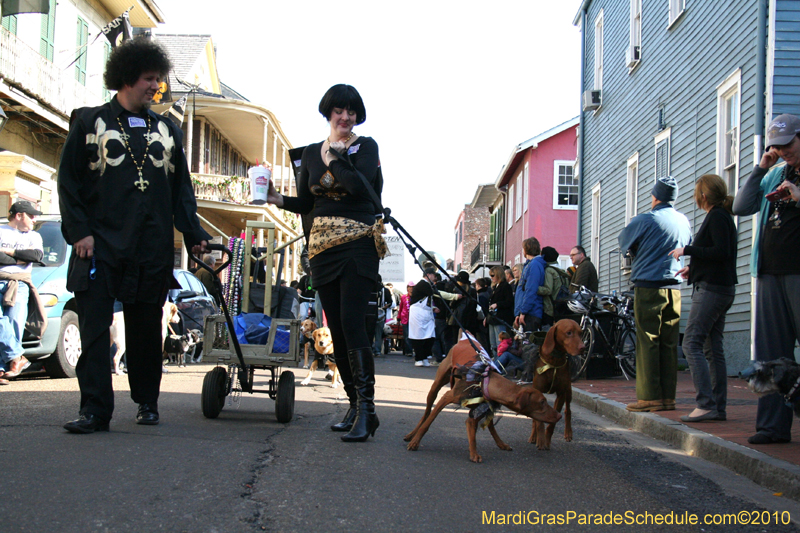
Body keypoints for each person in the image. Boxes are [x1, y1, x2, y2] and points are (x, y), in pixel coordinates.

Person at [58, 38, 210, 433]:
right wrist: (80, 232)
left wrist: (194, 235)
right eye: (149, 79)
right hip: (99, 246)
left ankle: (147, 401)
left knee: (145, 330)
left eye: (159, 80)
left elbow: (182, 191)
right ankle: (94, 410)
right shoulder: (89, 122)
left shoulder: (168, 130)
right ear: (126, 77)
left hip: (151, 246)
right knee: (94, 329)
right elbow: (68, 184)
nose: (155, 87)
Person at [266, 84, 387, 442]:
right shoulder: (308, 155)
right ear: (328, 112)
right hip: (323, 249)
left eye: (352, 111)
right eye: (339, 110)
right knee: (335, 329)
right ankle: (354, 405)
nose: (346, 117)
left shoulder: (366, 147)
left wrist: (335, 157)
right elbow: (307, 202)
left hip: (358, 244)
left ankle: (368, 409)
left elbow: (362, 189)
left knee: (352, 324)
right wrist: (277, 198)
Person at [732, 114, 800, 444]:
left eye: (789, 144)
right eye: (778, 146)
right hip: (770, 274)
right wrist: (761, 167)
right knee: (772, 357)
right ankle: (772, 427)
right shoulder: (775, 173)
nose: (784, 151)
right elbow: (742, 206)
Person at [618, 175, 692, 412]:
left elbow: (625, 243)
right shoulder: (683, 220)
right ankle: (668, 397)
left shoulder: (646, 219)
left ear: (655, 195)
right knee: (669, 343)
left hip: (649, 286)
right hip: (674, 286)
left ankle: (649, 397)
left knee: (648, 340)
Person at [668, 174, 737, 423]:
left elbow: (720, 251)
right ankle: (718, 407)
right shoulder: (722, 216)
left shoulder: (717, 216)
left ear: (703, 196)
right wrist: (693, 269)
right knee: (711, 347)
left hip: (713, 290)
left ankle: (705, 404)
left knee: (691, 344)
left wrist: (687, 250)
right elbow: (719, 256)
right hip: (721, 287)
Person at [0, 201, 45, 384]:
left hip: (21, 284)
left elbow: (36, 256)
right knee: (3, 325)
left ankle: (4, 369)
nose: (34, 219)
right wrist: (19, 258)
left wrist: (9, 251)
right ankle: (17, 357)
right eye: (31, 215)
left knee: (13, 324)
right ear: (19, 215)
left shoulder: (34, 236)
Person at [514, 238, 545, 332]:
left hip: (531, 312)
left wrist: (523, 311)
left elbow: (531, 289)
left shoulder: (534, 265)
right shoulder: (530, 264)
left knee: (529, 345)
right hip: (527, 312)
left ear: (526, 249)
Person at [486, 265, 514, 357]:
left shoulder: (505, 286)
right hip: (493, 318)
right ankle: (496, 361)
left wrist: (497, 304)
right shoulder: (495, 287)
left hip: (500, 317)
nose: (491, 278)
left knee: (500, 343)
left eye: (493, 275)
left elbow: (509, 301)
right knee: (493, 343)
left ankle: (500, 362)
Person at [537, 246, 568, 327]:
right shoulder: (562, 272)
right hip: (561, 307)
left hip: (550, 308)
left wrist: (534, 288)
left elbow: (548, 290)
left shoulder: (549, 271)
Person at [399, 282, 413, 356]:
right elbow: (401, 307)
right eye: (409, 287)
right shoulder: (404, 297)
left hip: (413, 318)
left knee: (413, 335)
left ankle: (411, 349)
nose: (411, 289)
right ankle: (409, 351)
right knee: (406, 335)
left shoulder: (415, 297)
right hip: (405, 318)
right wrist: (399, 317)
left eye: (412, 287)